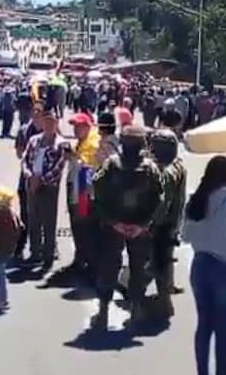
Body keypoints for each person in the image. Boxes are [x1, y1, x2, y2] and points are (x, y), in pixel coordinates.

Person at [182, 156, 226, 375]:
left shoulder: (195, 201)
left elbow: (185, 236)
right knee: (223, 329)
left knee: (204, 325)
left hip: (200, 267)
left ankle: (201, 372)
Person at [90, 126, 165, 330]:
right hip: (139, 227)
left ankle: (103, 311)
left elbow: (96, 190)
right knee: (137, 268)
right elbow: (159, 198)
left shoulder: (111, 164)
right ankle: (136, 309)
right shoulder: (150, 167)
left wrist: (113, 221)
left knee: (108, 267)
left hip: (114, 226)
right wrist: (144, 224)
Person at [20, 108, 67, 270]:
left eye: (51, 122)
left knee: (48, 221)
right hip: (31, 183)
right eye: (45, 121)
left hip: (49, 187)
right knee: (33, 219)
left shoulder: (61, 144)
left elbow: (59, 167)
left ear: (56, 123)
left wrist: (41, 181)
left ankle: (48, 254)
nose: (48, 125)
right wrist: (29, 175)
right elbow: (25, 160)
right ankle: (35, 252)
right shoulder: (34, 140)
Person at [149, 128, 187, 319]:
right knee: (166, 258)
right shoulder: (178, 165)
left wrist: (150, 222)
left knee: (158, 261)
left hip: (162, 224)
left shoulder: (166, 173)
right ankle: (167, 290)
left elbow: (163, 203)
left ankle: (164, 303)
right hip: (173, 221)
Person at [63, 112, 100, 279]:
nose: (76, 129)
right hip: (77, 188)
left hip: (84, 191)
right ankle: (80, 259)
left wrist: (72, 157)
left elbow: (87, 168)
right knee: (77, 226)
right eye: (74, 126)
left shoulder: (92, 142)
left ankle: (89, 265)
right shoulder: (82, 141)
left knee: (84, 227)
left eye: (79, 126)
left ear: (87, 126)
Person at [13, 103, 43, 260]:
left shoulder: (49, 131)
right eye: (34, 111)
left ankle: (43, 247)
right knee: (25, 213)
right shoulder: (24, 130)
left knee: (43, 214)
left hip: (45, 179)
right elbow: (19, 153)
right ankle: (20, 246)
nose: (36, 114)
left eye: (40, 112)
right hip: (26, 176)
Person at [0, 187, 23, 310]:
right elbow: (19, 228)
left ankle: (2, 299)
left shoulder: (0, 216)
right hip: (7, 248)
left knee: (0, 275)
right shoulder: (12, 214)